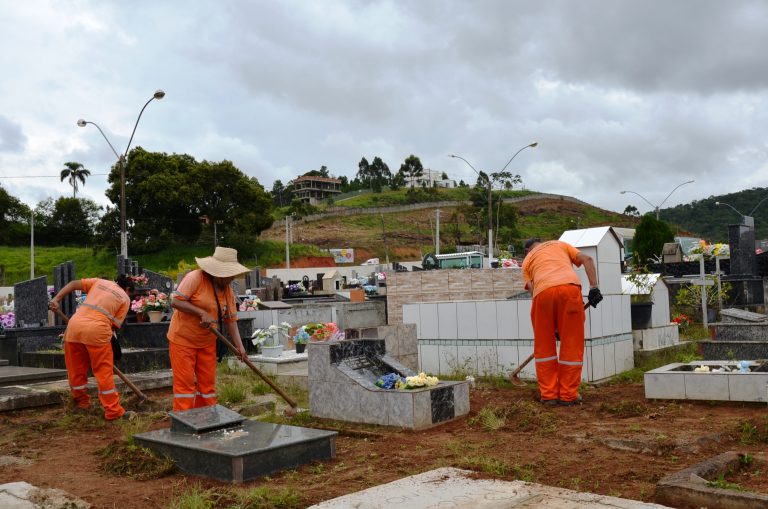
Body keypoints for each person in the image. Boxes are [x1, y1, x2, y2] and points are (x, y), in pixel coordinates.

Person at [521, 238, 603, 406]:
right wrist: (594, 287)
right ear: (541, 242)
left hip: (542, 294)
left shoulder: (528, 260)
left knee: (544, 346)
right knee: (572, 344)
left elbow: (532, 288)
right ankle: (568, 395)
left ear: (528, 250)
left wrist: (552, 323)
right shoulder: (561, 245)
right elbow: (587, 259)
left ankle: (549, 395)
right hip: (569, 289)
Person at [167, 246, 249, 411]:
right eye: (228, 274)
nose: (230, 278)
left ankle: (208, 419)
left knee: (207, 387)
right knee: (185, 387)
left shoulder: (227, 291)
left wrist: (239, 347)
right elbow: (175, 302)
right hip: (183, 340)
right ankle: (184, 423)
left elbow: (231, 320)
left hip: (207, 342)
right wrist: (200, 312)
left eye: (231, 274)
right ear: (217, 271)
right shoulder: (195, 278)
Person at [48, 275, 136, 420]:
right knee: (103, 373)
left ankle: (82, 404)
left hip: (74, 328)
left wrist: (56, 299)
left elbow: (73, 283)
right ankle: (113, 411)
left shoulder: (99, 282)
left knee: (76, 371)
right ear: (127, 289)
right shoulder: (125, 299)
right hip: (98, 332)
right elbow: (114, 327)